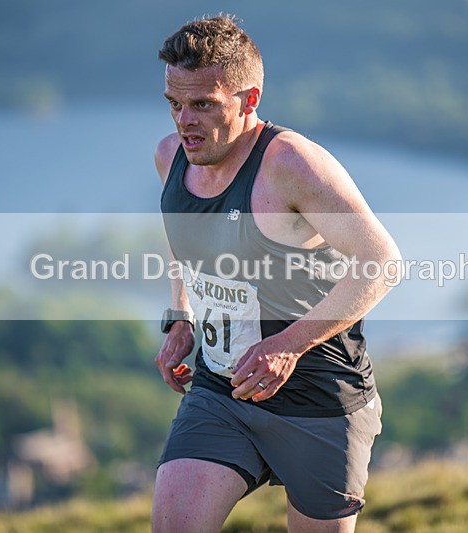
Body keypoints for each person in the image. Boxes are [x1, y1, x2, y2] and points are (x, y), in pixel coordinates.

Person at [151, 14, 401, 533]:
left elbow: (382, 264)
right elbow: (187, 244)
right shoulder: (172, 157)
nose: (184, 121)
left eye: (203, 104)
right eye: (174, 103)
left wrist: (288, 344)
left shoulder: (291, 165)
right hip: (221, 388)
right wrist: (181, 317)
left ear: (249, 99)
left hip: (319, 395)